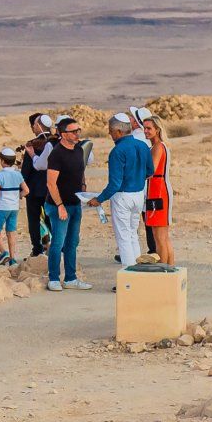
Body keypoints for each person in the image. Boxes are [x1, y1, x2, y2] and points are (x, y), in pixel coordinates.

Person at [90, 112, 150, 268]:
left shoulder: (117, 151)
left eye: (111, 131)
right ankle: (137, 270)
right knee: (133, 234)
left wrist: (99, 199)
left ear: (118, 131)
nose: (109, 134)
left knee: (123, 237)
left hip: (123, 197)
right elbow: (150, 171)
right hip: (138, 195)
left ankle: (129, 275)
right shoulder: (143, 145)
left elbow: (115, 184)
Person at [41, 117, 91, 292]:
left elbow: (80, 171)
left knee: (72, 242)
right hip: (59, 206)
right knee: (58, 242)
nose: (78, 134)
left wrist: (83, 187)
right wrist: (60, 206)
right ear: (63, 134)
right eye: (73, 131)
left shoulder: (78, 149)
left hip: (75, 204)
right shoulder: (56, 154)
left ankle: (71, 278)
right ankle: (54, 278)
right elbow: (51, 183)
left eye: (78, 130)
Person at [141, 114, 175, 265]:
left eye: (149, 128)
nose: (146, 131)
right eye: (144, 128)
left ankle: (163, 269)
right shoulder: (156, 146)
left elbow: (151, 170)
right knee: (163, 237)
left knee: (160, 237)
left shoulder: (158, 147)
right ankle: (170, 268)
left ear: (157, 129)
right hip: (156, 191)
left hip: (159, 192)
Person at [21, 113, 54, 258]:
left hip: (33, 190)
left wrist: (21, 188)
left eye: (34, 125)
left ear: (39, 126)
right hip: (50, 189)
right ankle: (56, 246)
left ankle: (37, 249)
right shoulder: (55, 142)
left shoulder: (32, 144)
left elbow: (26, 170)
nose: (33, 128)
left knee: (34, 220)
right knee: (50, 218)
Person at [0, 146, 26, 265]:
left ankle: (3, 253)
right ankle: (12, 259)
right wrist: (18, 196)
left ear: (2, 161)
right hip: (14, 208)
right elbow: (26, 190)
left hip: (2, 207)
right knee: (11, 232)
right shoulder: (18, 174)